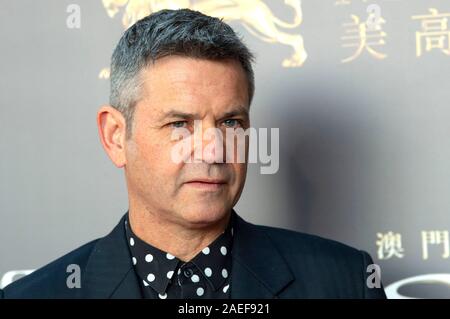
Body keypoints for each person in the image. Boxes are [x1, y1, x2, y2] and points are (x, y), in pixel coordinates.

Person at [1, 9, 386, 299]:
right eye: (180, 124)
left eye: (231, 123)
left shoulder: (347, 282)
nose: (213, 149)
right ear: (116, 136)